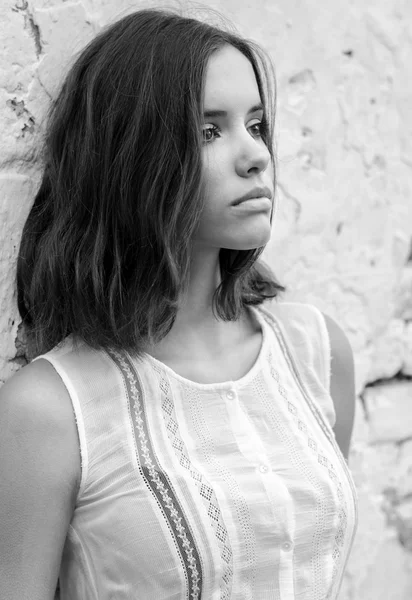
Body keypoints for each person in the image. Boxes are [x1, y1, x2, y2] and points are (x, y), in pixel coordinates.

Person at [0, 7, 358, 600]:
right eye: (209, 131)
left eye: (257, 124)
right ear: (131, 158)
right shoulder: (50, 409)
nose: (256, 156)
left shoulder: (316, 353)